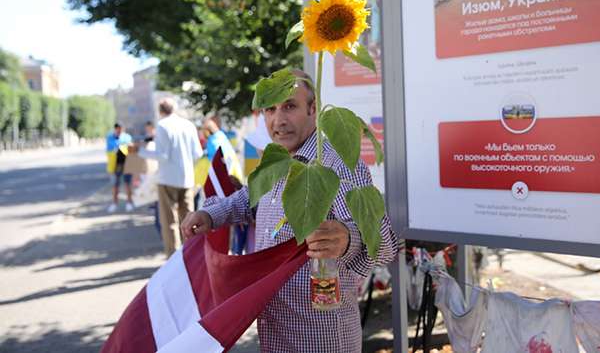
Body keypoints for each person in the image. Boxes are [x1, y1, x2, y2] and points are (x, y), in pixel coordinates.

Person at [180, 70, 399, 352]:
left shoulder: (338, 163)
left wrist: (348, 238)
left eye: (290, 106)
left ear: (313, 108)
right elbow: (249, 198)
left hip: (320, 336)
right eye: (270, 109)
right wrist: (211, 215)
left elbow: (386, 243)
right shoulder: (276, 158)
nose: (278, 120)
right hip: (275, 328)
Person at [136, 99, 203, 257]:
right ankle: (192, 254)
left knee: (169, 222)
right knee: (188, 218)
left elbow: (162, 155)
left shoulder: (162, 126)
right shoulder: (188, 125)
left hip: (167, 178)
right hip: (187, 178)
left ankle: (174, 257)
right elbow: (198, 153)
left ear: (160, 111)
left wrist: (141, 151)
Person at [106, 122, 134, 213]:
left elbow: (130, 147)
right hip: (115, 165)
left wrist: (120, 143)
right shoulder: (110, 137)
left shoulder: (127, 137)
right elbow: (111, 147)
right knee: (115, 185)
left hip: (126, 164)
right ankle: (114, 203)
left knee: (127, 184)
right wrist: (121, 144)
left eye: (120, 129)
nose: (119, 130)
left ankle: (129, 202)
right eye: (117, 129)